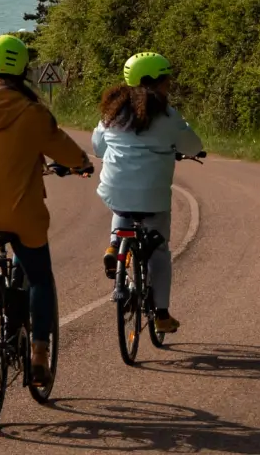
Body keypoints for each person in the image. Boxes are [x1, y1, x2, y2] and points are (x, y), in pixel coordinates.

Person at [0, 34, 92, 385]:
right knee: (41, 279)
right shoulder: (33, 113)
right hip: (21, 213)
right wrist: (82, 163)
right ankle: (40, 355)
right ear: (24, 69)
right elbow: (64, 151)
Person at [93, 51, 203, 334]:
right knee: (159, 251)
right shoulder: (167, 115)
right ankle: (162, 315)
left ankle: (115, 245)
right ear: (156, 81)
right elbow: (191, 145)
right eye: (166, 79)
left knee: (122, 206)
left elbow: (98, 148)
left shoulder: (112, 113)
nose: (168, 85)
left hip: (115, 188)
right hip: (153, 196)